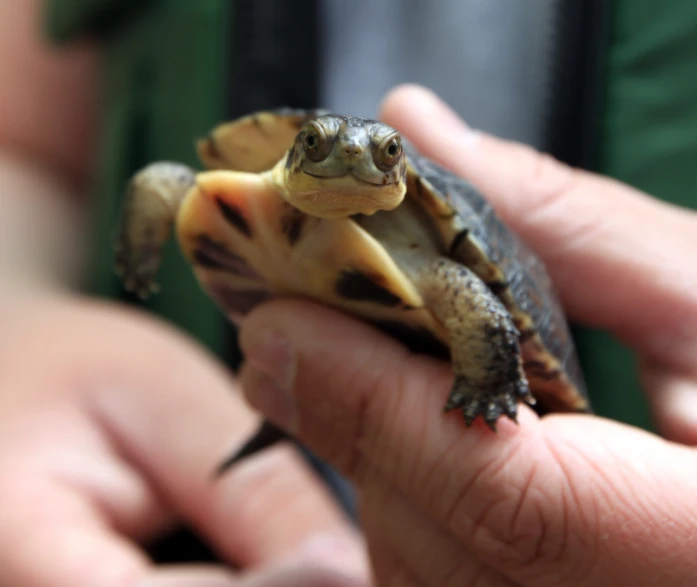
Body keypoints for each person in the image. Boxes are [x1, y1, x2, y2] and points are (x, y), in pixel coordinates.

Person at [2, 5, 697, 587]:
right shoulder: (241, 179)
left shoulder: (431, 263)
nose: (356, 159)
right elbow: (44, 150)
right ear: (298, 153)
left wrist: (491, 386)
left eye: (385, 155)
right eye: (324, 146)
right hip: (180, 532)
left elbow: (472, 297)